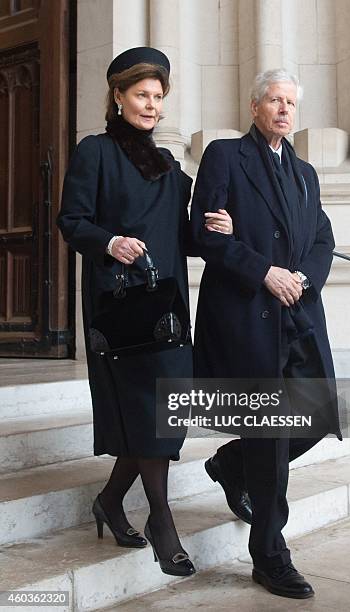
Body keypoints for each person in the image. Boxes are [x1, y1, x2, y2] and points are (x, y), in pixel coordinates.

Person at [57, 46, 232, 577]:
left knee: (163, 416)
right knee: (149, 415)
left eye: (158, 97)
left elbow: (183, 236)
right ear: (117, 96)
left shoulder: (169, 166)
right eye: (142, 95)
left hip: (169, 308)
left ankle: (110, 502)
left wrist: (216, 231)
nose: (152, 105)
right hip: (121, 307)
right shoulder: (96, 152)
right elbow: (72, 220)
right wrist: (109, 242)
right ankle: (162, 520)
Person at [191, 68, 342, 599]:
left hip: (298, 314)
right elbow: (202, 235)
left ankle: (231, 463)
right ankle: (270, 555)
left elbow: (322, 238)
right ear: (254, 107)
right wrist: (265, 272)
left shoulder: (305, 172)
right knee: (272, 431)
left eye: (290, 103)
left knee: (318, 416)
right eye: (274, 101)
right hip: (247, 317)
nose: (283, 110)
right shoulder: (224, 157)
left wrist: (304, 277)